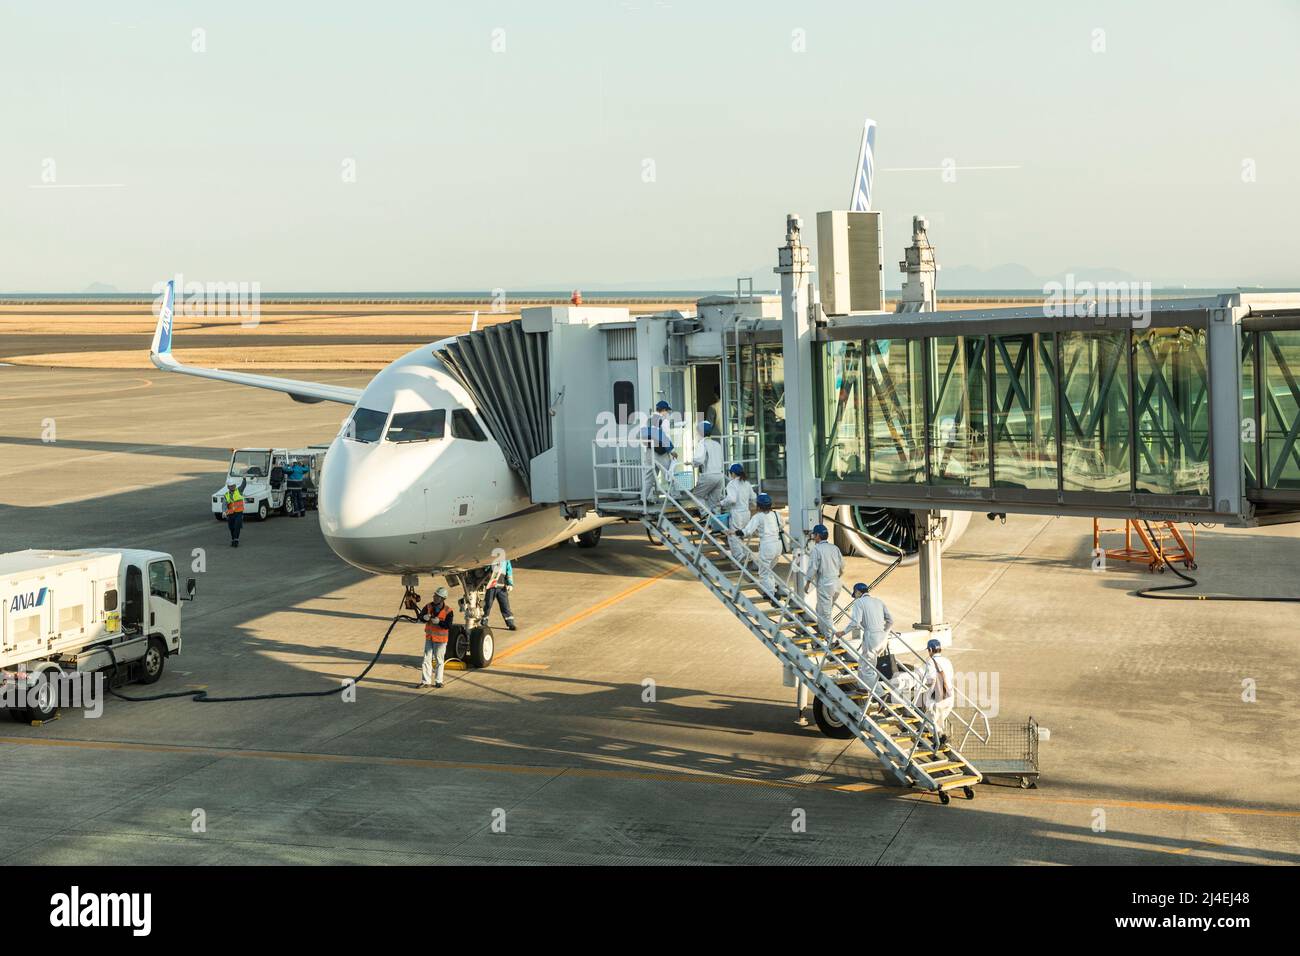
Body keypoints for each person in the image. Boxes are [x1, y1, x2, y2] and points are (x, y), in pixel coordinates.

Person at [836, 582, 894, 683]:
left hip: (871, 638)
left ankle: (879, 694)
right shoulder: (878, 601)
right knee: (863, 663)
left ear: (858, 592)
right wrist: (884, 632)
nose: (855, 598)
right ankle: (862, 687)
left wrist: (843, 632)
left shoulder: (859, 602)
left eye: (855, 595)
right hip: (882, 638)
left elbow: (855, 622)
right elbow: (890, 621)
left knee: (867, 669)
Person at [736, 492, 785, 599]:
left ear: (758, 506)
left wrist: (734, 532)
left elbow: (747, 531)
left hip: (767, 546)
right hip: (778, 545)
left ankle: (771, 594)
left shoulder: (758, 517)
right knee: (768, 570)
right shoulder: (776, 514)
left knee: (763, 572)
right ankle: (773, 589)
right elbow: (782, 525)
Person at [804, 523, 843, 639]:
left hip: (826, 584)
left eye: (814, 535)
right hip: (837, 583)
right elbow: (842, 565)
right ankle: (823, 631)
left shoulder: (817, 550)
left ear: (818, 536)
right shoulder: (834, 548)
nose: (813, 537)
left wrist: (807, 583)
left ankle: (831, 637)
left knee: (826, 614)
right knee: (820, 609)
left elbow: (813, 568)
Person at [921, 638, 955, 750]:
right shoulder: (947, 661)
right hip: (949, 697)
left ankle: (940, 739)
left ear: (930, 649)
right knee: (939, 721)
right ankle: (940, 741)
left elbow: (931, 678)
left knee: (929, 721)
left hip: (938, 698)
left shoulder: (930, 661)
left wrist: (925, 687)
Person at [417, 586, 454, 689]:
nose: (434, 597)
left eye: (437, 596)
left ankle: (439, 681)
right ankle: (426, 681)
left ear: (442, 598)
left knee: (439, 660)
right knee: (426, 659)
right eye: (434, 595)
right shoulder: (428, 606)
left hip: (441, 641)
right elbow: (420, 617)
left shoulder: (448, 611)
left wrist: (440, 622)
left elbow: (449, 625)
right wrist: (424, 618)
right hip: (429, 638)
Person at [718, 464, 755, 563]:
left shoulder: (732, 484)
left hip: (737, 513)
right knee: (742, 535)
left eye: (730, 473)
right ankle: (746, 555)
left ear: (733, 473)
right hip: (746, 513)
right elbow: (753, 497)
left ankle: (739, 557)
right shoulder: (746, 483)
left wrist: (721, 503)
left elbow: (732, 499)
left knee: (733, 536)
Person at [641, 400, 676, 502]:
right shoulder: (664, 421)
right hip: (660, 452)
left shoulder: (648, 420)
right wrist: (672, 451)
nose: (668, 413)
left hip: (648, 451)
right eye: (667, 411)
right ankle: (674, 497)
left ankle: (643, 498)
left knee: (648, 477)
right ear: (664, 410)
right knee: (670, 473)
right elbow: (666, 437)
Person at [690, 421, 725, 511]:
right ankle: (714, 520)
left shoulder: (702, 443)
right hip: (719, 476)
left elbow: (699, 460)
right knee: (714, 502)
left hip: (708, 475)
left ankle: (705, 515)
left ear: (700, 432)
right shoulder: (717, 444)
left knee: (696, 496)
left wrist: (692, 463)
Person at [483, 554, 517, 630]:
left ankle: (510, 623)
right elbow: (485, 569)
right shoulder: (490, 557)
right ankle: (484, 621)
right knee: (488, 604)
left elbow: (509, 570)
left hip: (502, 587)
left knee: (505, 606)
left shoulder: (506, 559)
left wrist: (510, 583)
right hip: (491, 586)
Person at [222, 479, 246, 547]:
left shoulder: (239, 490)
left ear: (235, 485)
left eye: (233, 485)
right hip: (230, 513)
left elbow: (243, 485)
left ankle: (236, 540)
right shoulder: (226, 495)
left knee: (237, 526)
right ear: (228, 487)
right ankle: (233, 539)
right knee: (231, 527)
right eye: (231, 486)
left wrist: (244, 479)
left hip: (239, 512)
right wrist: (224, 511)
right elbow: (224, 504)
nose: (232, 487)